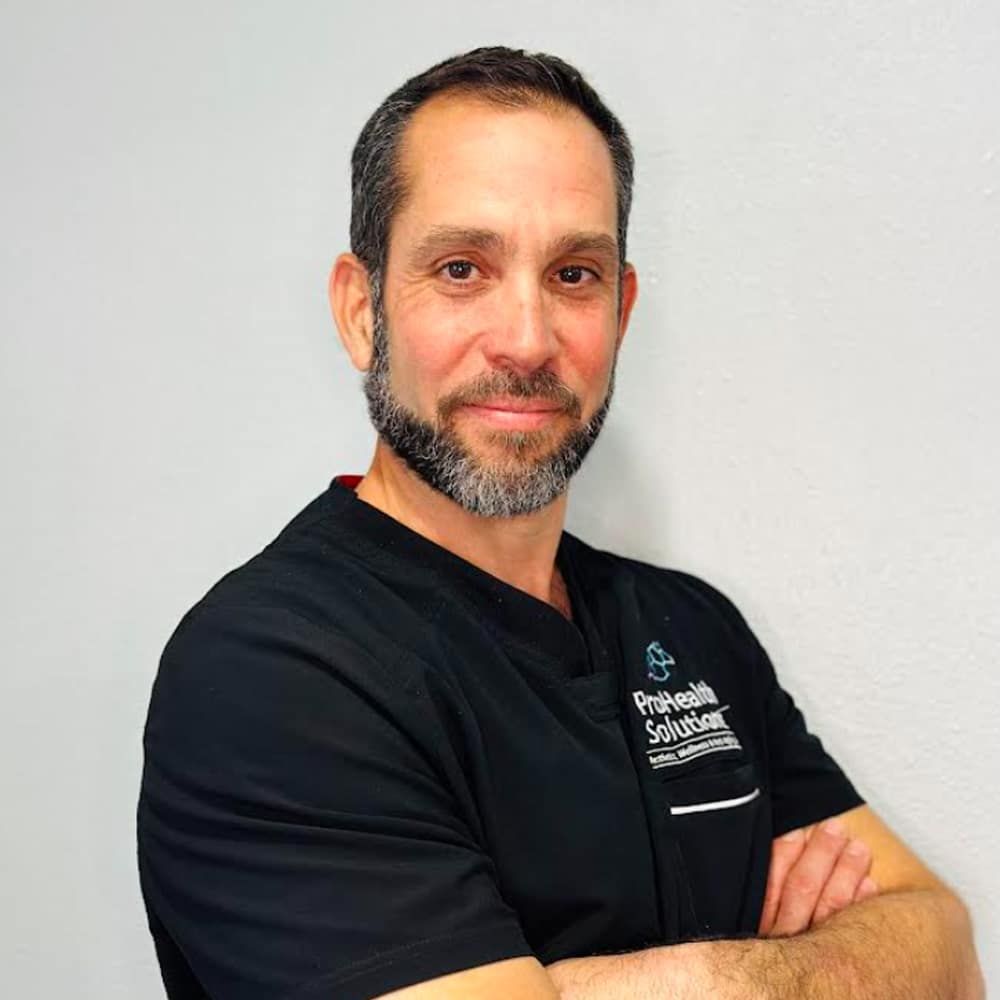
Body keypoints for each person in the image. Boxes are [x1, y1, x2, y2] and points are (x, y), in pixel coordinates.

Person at [137, 47, 984, 1000]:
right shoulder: (273, 670)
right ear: (362, 311)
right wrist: (804, 971)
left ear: (620, 313)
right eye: (463, 269)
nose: (528, 340)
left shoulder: (691, 627)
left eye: (574, 274)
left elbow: (946, 950)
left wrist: (683, 981)